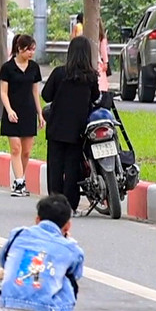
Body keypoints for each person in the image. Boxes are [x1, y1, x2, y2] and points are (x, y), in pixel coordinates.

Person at [41, 36, 99, 210]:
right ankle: (70, 204)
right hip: (78, 130)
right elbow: (96, 97)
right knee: (73, 167)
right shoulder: (91, 77)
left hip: (57, 127)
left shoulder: (59, 73)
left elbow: (46, 95)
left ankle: (55, 203)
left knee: (55, 167)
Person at [0, 34, 45, 197]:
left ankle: (20, 179)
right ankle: (19, 182)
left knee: (26, 151)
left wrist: (40, 113)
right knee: (16, 148)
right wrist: (9, 110)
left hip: (29, 111)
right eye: (28, 50)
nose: (31, 53)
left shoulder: (34, 68)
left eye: (33, 50)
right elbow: (3, 92)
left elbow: (35, 91)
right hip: (13, 112)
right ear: (19, 49)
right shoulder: (7, 68)